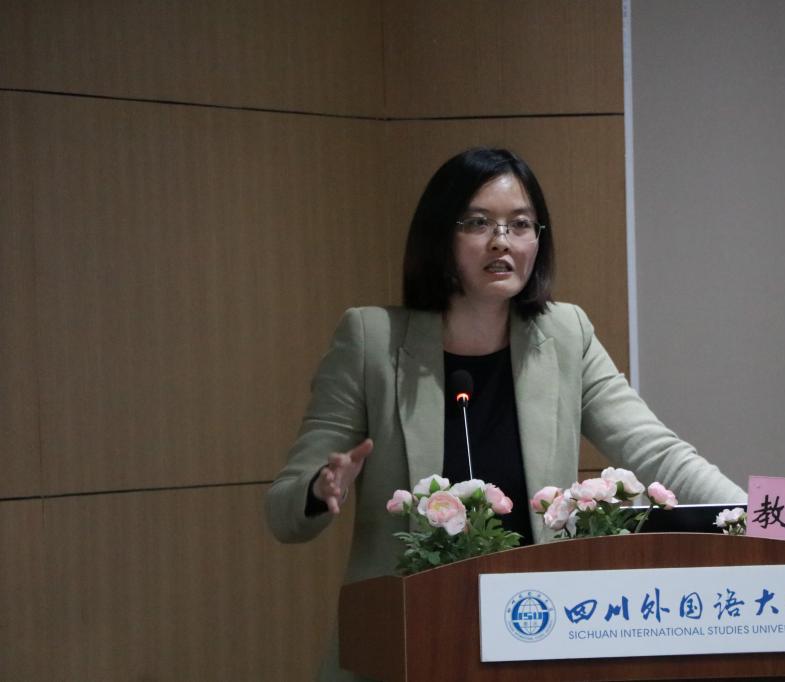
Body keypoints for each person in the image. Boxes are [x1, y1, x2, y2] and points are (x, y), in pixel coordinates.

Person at [265, 147, 746, 681]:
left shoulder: (566, 334)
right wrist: (320, 489)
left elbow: (656, 452)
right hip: (406, 647)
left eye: (520, 224)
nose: (502, 241)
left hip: (534, 635)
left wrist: (761, 520)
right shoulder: (371, 340)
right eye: (478, 223)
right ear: (439, 236)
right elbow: (283, 511)